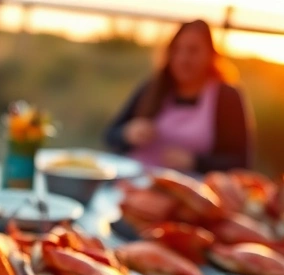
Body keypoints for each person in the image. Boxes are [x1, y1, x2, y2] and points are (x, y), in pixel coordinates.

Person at [103, 19, 253, 174]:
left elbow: (241, 162)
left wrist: (195, 162)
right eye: (177, 50)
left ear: (211, 55)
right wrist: (127, 133)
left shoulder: (227, 97)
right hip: (137, 181)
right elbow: (110, 135)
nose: (183, 59)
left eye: (193, 50)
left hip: (193, 190)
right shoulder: (152, 87)